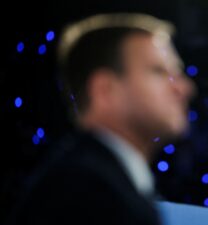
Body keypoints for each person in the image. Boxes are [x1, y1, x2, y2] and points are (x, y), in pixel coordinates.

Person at [7, 13, 194, 225]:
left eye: (177, 73)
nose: (184, 88)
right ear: (104, 90)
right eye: (159, 72)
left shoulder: (101, 182)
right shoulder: (85, 192)